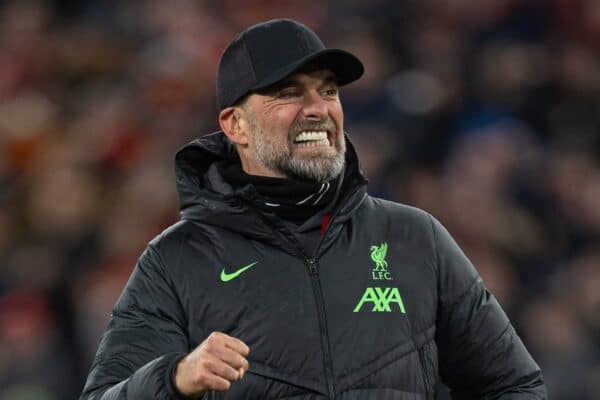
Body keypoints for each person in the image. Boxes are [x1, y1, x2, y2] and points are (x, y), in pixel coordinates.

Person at [80, 18, 547, 399]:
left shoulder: (413, 237)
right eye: (288, 93)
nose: (318, 108)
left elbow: (514, 385)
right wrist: (175, 378)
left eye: (327, 91)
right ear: (236, 125)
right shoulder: (177, 261)